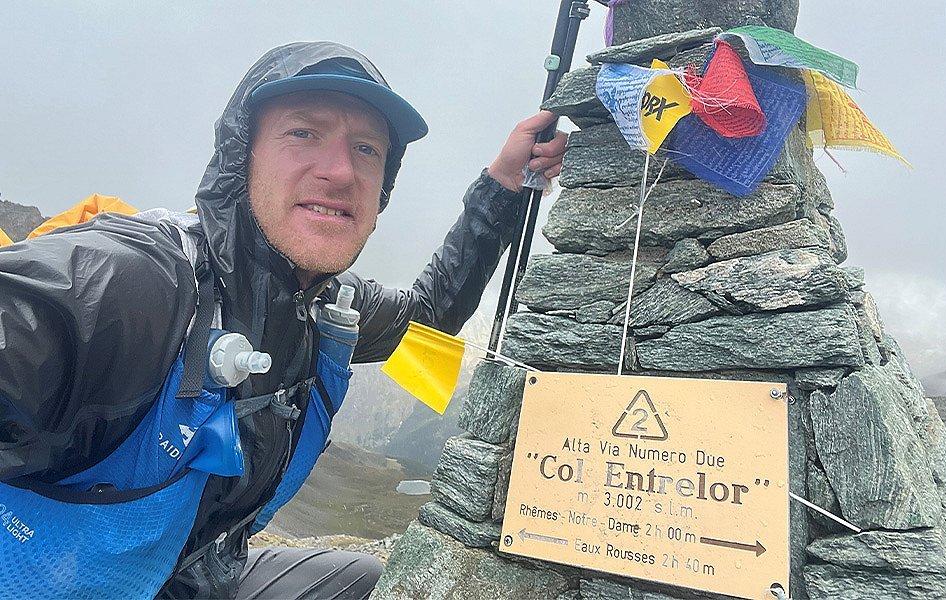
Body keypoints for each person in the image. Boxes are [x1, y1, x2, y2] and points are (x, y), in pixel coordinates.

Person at [0, 42, 567, 599]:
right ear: (240, 153)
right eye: (304, 133)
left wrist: (502, 187)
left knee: (362, 579)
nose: (341, 171)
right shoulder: (135, 284)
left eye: (368, 149)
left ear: (384, 187)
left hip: (195, 575)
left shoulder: (327, 307)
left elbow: (428, 316)